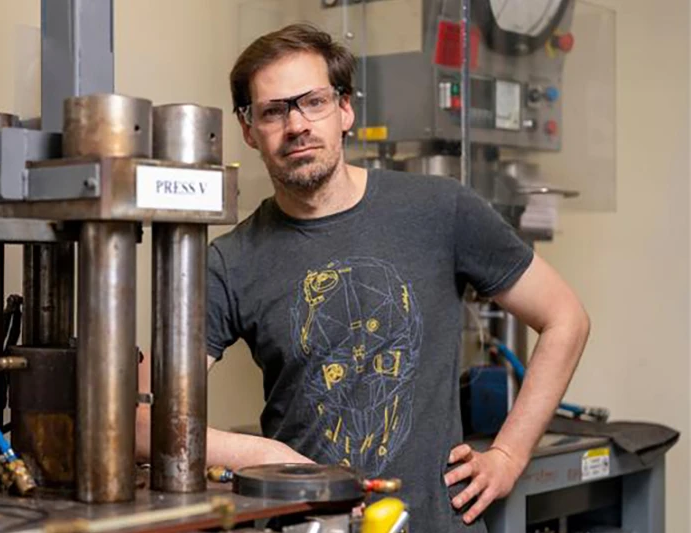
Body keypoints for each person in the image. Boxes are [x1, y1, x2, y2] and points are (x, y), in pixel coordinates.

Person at [137, 23, 589, 531]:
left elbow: (565, 318)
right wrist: (269, 457)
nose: (297, 125)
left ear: (345, 109)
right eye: (273, 110)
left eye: (313, 102)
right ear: (248, 128)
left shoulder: (441, 210)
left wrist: (508, 454)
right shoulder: (230, 260)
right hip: (307, 522)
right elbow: (143, 419)